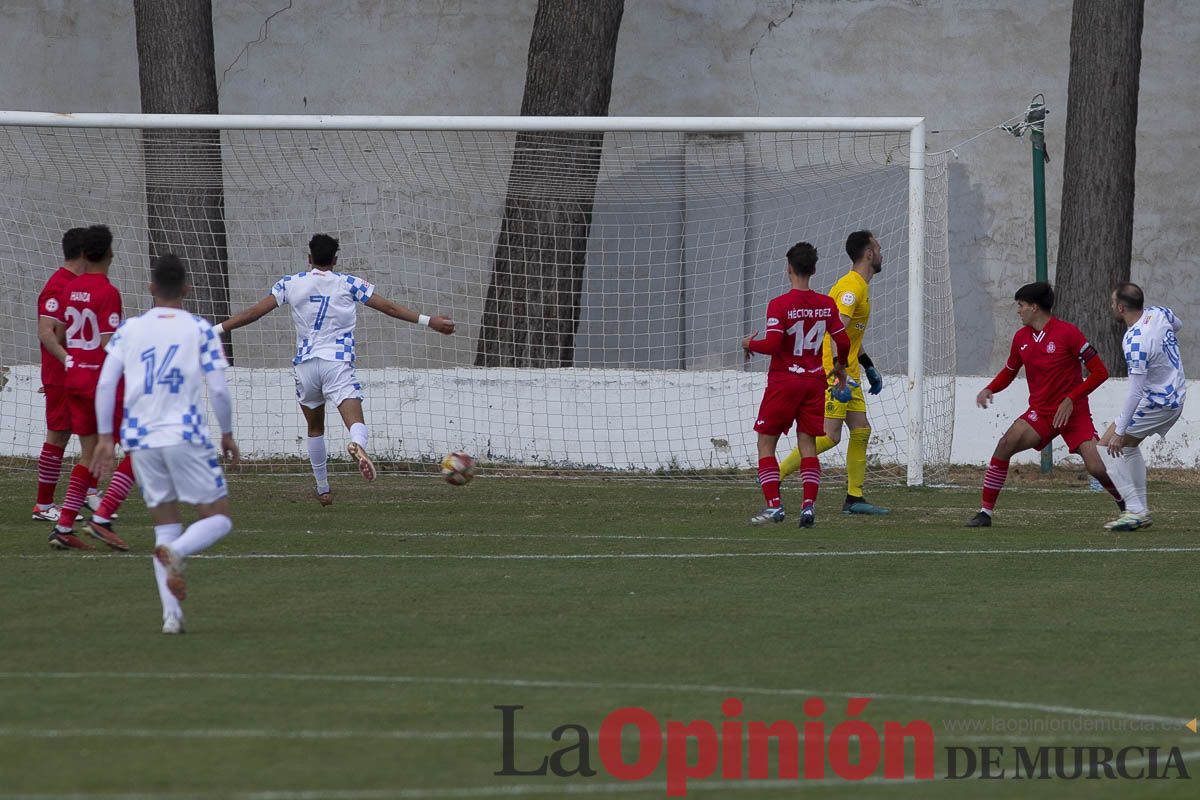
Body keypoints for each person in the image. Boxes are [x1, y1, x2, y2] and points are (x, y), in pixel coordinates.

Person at [212, 234, 455, 505]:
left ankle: (323, 488)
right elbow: (388, 307)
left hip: (305, 365)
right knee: (355, 421)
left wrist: (215, 330)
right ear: (335, 260)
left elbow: (254, 312)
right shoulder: (348, 283)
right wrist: (428, 320)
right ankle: (357, 444)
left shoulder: (290, 283)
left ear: (309, 258)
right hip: (336, 362)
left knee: (315, 427)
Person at [92, 254, 239, 634]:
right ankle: (178, 554)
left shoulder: (130, 329)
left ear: (151, 288)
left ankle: (171, 616)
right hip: (185, 435)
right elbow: (219, 389)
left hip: (140, 439)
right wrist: (226, 432)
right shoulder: (200, 328)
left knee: (165, 528)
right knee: (218, 517)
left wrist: (106, 437)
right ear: (187, 289)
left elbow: (106, 383)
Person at [968, 281, 1124, 527]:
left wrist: (1071, 399)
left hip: (1074, 415)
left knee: (1096, 467)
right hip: (1041, 414)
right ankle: (985, 512)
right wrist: (990, 388)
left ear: (1034, 307)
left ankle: (1125, 504)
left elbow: (1099, 372)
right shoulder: (1021, 338)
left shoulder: (1068, 333)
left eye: (1020, 305)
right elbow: (1009, 371)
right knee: (1005, 444)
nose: (1018, 311)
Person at [778, 230, 889, 514]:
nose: (881, 251)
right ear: (868, 254)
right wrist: (836, 372)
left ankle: (854, 498)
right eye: (877, 247)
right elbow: (833, 329)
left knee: (861, 430)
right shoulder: (852, 288)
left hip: (848, 370)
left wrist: (868, 366)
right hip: (836, 372)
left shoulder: (860, 286)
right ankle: (774, 474)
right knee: (830, 435)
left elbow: (848, 334)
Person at [743, 242, 850, 528]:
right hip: (814, 381)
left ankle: (774, 507)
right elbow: (843, 341)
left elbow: (774, 344)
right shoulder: (827, 305)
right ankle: (808, 508)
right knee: (808, 445)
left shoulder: (780, 304)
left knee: (766, 443)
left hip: (784, 381)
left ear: (789, 268)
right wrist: (840, 368)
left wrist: (749, 343)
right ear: (813, 269)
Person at [44, 225, 131, 551]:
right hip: (100, 381)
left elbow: (61, 333)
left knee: (88, 454)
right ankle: (103, 518)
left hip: (75, 378)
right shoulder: (107, 292)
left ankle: (64, 526)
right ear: (108, 252)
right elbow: (110, 346)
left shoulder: (71, 289)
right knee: (139, 446)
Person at [1098, 283, 1186, 531]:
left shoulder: (1135, 340)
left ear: (1121, 307)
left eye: (1112, 303)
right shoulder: (1159, 313)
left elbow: (1135, 391)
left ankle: (1135, 510)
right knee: (1129, 447)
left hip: (1158, 402)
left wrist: (1119, 430)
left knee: (1106, 446)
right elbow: (1176, 326)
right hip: (1175, 395)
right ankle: (1140, 510)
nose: (1111, 307)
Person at [32, 228, 87, 522]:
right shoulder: (58, 286)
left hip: (72, 375)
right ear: (83, 253)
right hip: (63, 375)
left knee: (90, 431)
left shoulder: (76, 284)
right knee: (58, 437)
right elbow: (46, 333)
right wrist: (69, 362)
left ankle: (87, 492)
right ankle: (43, 505)